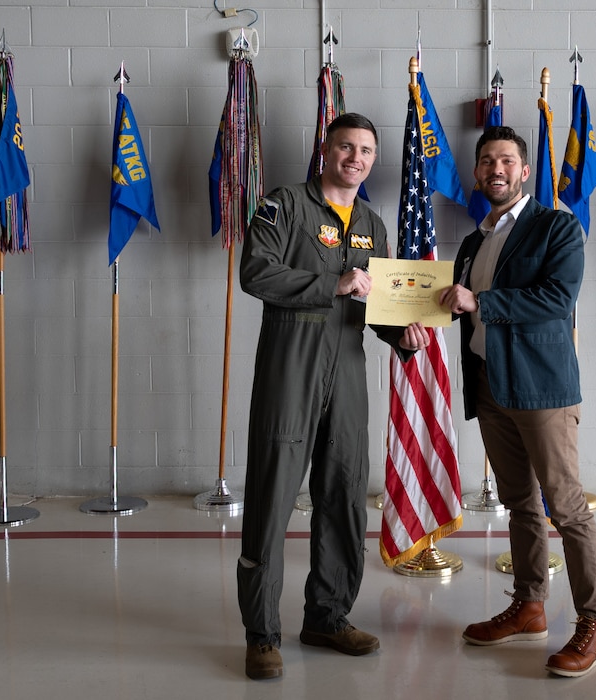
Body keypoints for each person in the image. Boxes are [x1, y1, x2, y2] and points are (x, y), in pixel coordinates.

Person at [237, 112, 431, 680]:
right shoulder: (284, 205)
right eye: (347, 147)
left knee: (345, 493)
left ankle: (327, 615)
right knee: (272, 500)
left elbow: (378, 306)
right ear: (326, 150)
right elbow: (256, 272)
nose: (357, 158)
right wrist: (332, 283)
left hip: (345, 374)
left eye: (367, 151)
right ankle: (261, 634)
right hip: (289, 373)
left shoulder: (372, 222)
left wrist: (403, 335)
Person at [439, 125, 596, 677]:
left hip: (541, 389)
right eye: (486, 161)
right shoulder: (473, 240)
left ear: (525, 170)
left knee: (566, 507)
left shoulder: (557, 226)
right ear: (477, 171)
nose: (496, 170)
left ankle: (594, 623)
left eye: (506, 161)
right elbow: (459, 306)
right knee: (519, 503)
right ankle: (530, 606)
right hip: (491, 385)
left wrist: (479, 299)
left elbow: (557, 298)